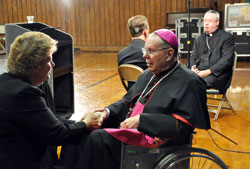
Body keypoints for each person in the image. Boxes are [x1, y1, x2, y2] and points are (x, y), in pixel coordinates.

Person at [76, 29, 211, 169]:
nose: (145, 56)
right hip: (132, 130)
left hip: (156, 139)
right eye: (144, 50)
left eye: (151, 51)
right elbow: (126, 102)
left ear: (169, 53)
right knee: (85, 130)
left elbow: (183, 128)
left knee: (98, 139)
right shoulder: (147, 74)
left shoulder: (190, 82)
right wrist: (106, 112)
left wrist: (143, 120)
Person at [0, 32, 102, 169]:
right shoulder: (25, 94)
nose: (53, 64)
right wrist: (85, 124)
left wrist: (78, 122)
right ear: (35, 66)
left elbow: (44, 123)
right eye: (49, 60)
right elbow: (57, 134)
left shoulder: (5, 81)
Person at [189, 10, 235, 92]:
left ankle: (197, 104)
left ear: (217, 22)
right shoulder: (199, 39)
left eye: (209, 21)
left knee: (193, 84)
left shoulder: (227, 38)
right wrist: (193, 68)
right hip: (198, 72)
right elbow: (193, 56)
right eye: (205, 20)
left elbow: (226, 61)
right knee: (180, 80)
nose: (206, 23)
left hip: (217, 75)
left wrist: (207, 72)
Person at [118, 15, 149, 90]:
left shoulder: (121, 54)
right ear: (145, 32)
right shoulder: (149, 52)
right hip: (150, 95)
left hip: (132, 95)